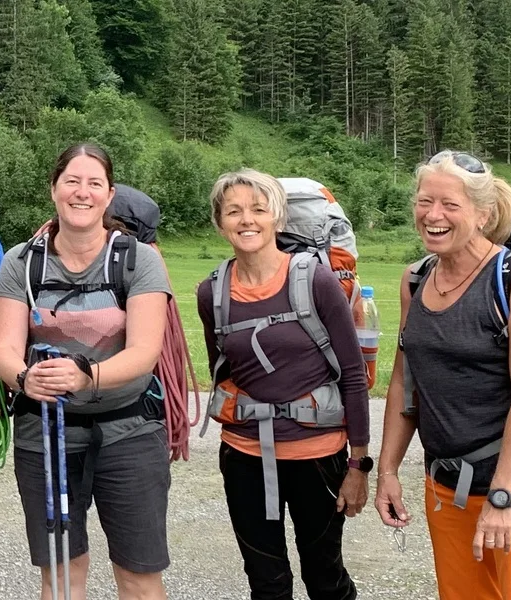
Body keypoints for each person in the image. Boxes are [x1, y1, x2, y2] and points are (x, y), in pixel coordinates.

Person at [372, 151, 511, 600]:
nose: (433, 215)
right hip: (447, 487)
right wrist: (387, 470)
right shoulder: (415, 279)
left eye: (450, 205)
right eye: (424, 201)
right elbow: (405, 381)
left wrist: (503, 498)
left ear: (483, 214)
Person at [0, 143, 173, 600]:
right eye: (72, 181)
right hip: (45, 436)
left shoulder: (138, 259)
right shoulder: (21, 261)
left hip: (129, 432)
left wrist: (84, 375)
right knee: (61, 571)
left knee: (138, 573)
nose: (82, 193)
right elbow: (5, 347)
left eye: (94, 183)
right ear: (54, 189)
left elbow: (144, 352)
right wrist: (23, 378)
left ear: (109, 195)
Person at [194, 169, 370, 600]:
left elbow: (352, 374)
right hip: (244, 457)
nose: (246, 220)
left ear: (277, 217)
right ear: (220, 223)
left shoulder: (317, 280)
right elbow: (224, 370)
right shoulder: (211, 292)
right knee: (266, 582)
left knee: (325, 578)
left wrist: (358, 466)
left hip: (318, 456)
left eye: (258, 209)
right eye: (233, 211)